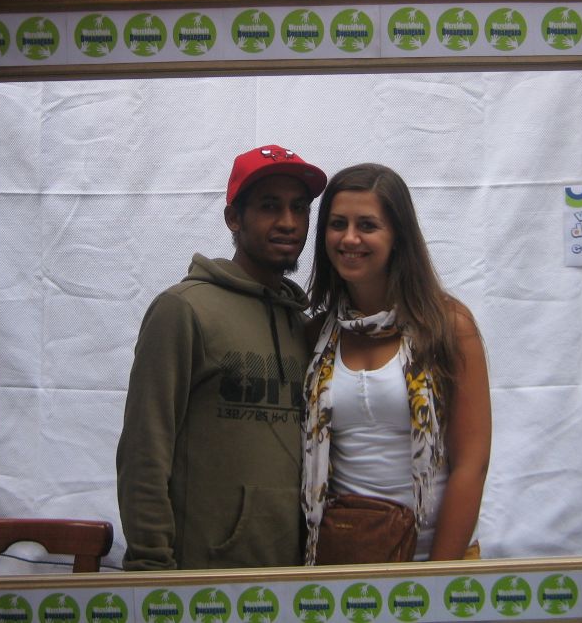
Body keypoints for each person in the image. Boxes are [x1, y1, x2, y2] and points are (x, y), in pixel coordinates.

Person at [117, 144, 326, 570]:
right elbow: (144, 450)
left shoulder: (305, 328)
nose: (288, 222)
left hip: (293, 580)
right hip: (201, 582)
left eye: (300, 208)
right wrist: (151, 568)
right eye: (270, 206)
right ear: (234, 217)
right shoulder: (183, 310)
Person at [301, 163, 491, 564]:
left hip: (434, 560)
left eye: (367, 225)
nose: (349, 238)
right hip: (345, 564)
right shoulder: (317, 335)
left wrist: (436, 578)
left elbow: (470, 465)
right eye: (338, 224)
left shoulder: (449, 326)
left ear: (398, 236)